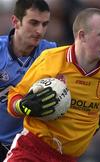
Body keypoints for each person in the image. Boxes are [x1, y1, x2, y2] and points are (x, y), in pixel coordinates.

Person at [6, 8, 100, 162]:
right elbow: (13, 99)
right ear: (82, 35)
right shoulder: (51, 60)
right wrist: (23, 106)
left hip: (69, 158)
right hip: (32, 149)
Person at [0, 0, 57, 161]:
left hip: (29, 147)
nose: (40, 30)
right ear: (15, 22)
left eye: (45, 24)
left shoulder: (51, 54)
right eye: (33, 23)